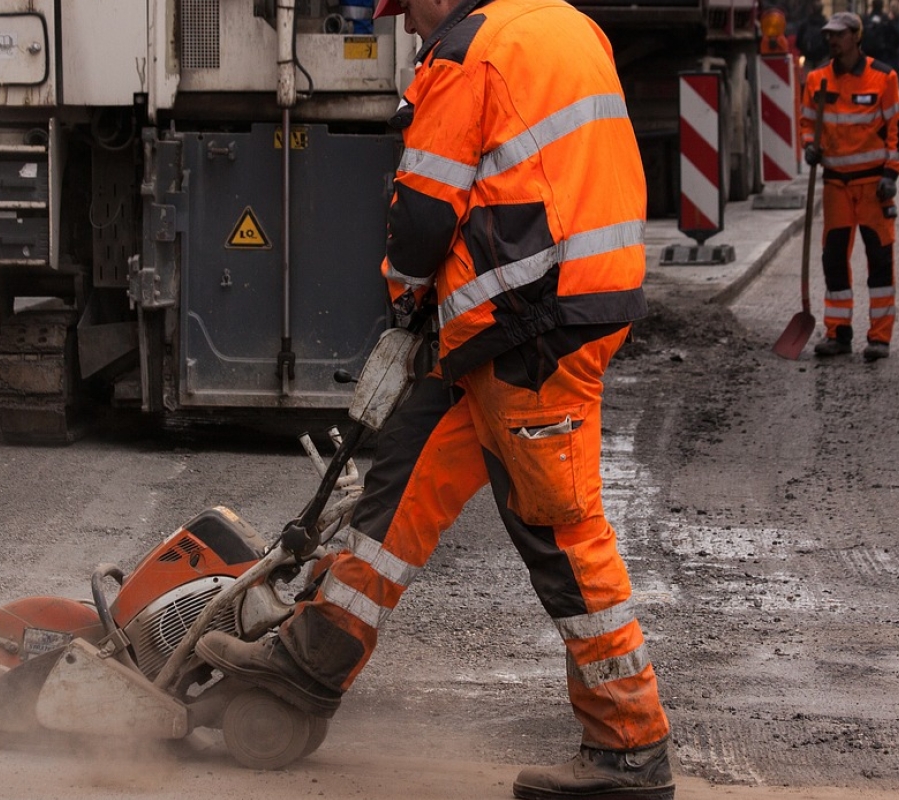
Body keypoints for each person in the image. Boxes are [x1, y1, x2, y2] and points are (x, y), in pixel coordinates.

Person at [195, 0, 674, 797]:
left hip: (532, 324)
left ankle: (630, 747)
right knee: (401, 479)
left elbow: (421, 218)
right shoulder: (566, 23)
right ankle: (310, 662)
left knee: (558, 532)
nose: (407, 28)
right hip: (529, 314)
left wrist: (403, 302)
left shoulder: (463, 54)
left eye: (406, 10)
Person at [799, 12, 899, 361]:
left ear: (856, 37)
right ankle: (838, 333)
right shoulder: (817, 79)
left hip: (873, 184)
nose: (832, 40)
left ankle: (879, 338)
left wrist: (891, 173)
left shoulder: (883, 76)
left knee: (879, 260)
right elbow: (807, 122)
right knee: (834, 259)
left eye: (840, 35)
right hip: (835, 185)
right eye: (829, 34)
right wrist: (808, 146)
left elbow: (896, 130)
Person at [863, 0, 899, 65]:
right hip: (883, 53)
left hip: (868, 52)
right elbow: (897, 34)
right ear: (882, 6)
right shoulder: (886, 19)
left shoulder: (866, 19)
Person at [799, 1, 831, 67]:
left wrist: (804, 52)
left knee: (808, 76)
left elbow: (798, 42)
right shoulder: (826, 24)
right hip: (823, 58)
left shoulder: (805, 24)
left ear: (811, 10)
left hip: (808, 59)